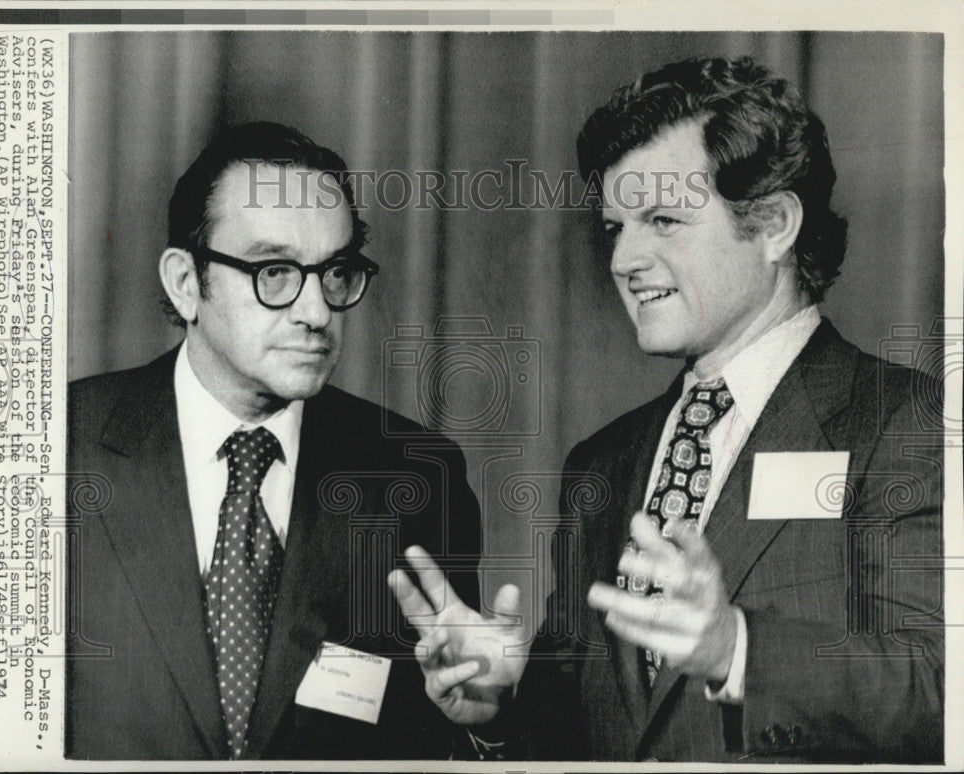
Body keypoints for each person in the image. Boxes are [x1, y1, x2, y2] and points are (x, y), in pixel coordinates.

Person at [389, 57, 944, 763]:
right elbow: (591, 735)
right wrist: (500, 708)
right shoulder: (602, 464)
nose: (624, 259)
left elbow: (941, 697)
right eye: (616, 226)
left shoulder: (910, 423)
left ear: (773, 224)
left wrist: (736, 648)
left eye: (662, 219)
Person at [65, 122, 481, 760]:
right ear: (185, 283)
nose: (317, 312)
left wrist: (486, 722)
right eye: (275, 271)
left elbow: (446, 727)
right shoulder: (56, 447)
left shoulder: (417, 477)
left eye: (335, 272)